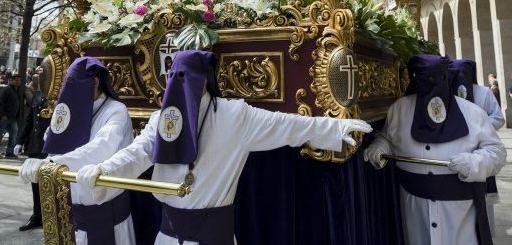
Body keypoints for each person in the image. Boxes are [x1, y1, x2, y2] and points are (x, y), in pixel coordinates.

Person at [75, 50, 371, 245]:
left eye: (187, 77)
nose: (180, 84)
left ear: (206, 80)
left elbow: (286, 125)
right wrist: (104, 169)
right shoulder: (162, 119)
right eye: (174, 78)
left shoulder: (233, 115)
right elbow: (137, 152)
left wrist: (336, 127)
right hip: (166, 237)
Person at [365, 54, 507, 244]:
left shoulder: (472, 113)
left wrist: (475, 163)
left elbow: (496, 152)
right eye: (425, 79)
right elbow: (388, 137)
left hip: (460, 209)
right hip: (414, 205)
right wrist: (379, 146)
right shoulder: (400, 109)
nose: (432, 85)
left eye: (437, 78)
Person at [19, 57, 136, 243]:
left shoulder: (115, 110)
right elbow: (53, 140)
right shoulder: (74, 109)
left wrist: (52, 164)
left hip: (108, 217)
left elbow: (102, 147)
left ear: (95, 82)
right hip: (75, 215)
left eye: (74, 83)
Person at [451, 59, 506, 235]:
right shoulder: (448, 92)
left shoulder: (484, 92)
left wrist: (479, 127)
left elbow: (498, 117)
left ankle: (485, 230)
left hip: (480, 149)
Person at [13, 70, 51, 232]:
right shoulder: (36, 96)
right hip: (35, 147)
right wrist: (19, 141)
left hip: (50, 148)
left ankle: (51, 216)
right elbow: (30, 121)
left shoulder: (56, 98)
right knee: (35, 183)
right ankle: (37, 216)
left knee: (49, 183)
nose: (37, 83)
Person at [0, 72, 21, 159]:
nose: (18, 82)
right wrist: (3, 115)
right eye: (16, 80)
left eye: (19, 80)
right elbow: (0, 103)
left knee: (13, 135)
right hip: (3, 117)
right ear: (11, 80)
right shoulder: (7, 89)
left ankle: (9, 153)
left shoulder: (16, 89)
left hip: (12, 118)